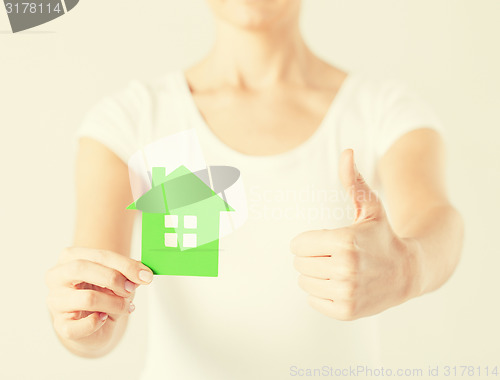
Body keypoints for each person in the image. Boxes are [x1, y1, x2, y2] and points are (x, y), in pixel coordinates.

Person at [45, 0, 464, 378]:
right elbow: (96, 310)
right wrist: (82, 323)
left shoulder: (382, 110)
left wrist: (409, 267)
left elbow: (437, 220)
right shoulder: (133, 119)